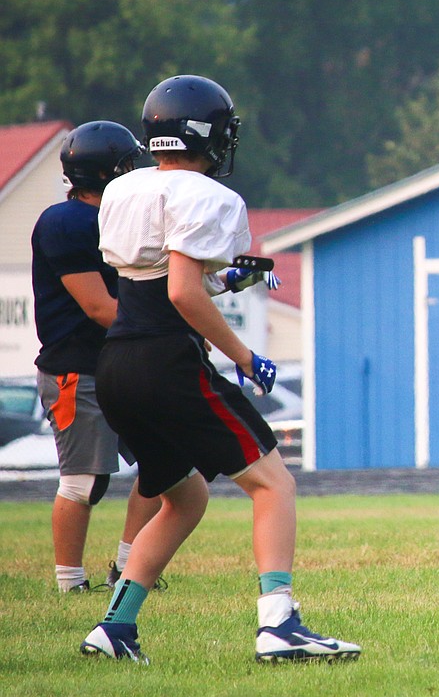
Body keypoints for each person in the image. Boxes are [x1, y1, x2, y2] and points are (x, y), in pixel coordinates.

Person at [81, 74, 360, 664]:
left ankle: (115, 628)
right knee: (274, 483)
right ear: (209, 134)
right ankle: (279, 625)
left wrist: (229, 279)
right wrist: (245, 354)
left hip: (118, 363)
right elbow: (182, 293)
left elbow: (160, 275)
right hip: (165, 358)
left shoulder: (124, 189)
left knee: (184, 498)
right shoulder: (209, 196)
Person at [32, 120, 165, 594]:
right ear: (106, 172)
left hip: (123, 360)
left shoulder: (116, 217)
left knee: (166, 463)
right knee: (85, 481)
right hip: (78, 367)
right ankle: (70, 582)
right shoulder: (65, 222)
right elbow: (98, 307)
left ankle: (128, 568)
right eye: (127, 165)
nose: (136, 173)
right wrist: (166, 331)